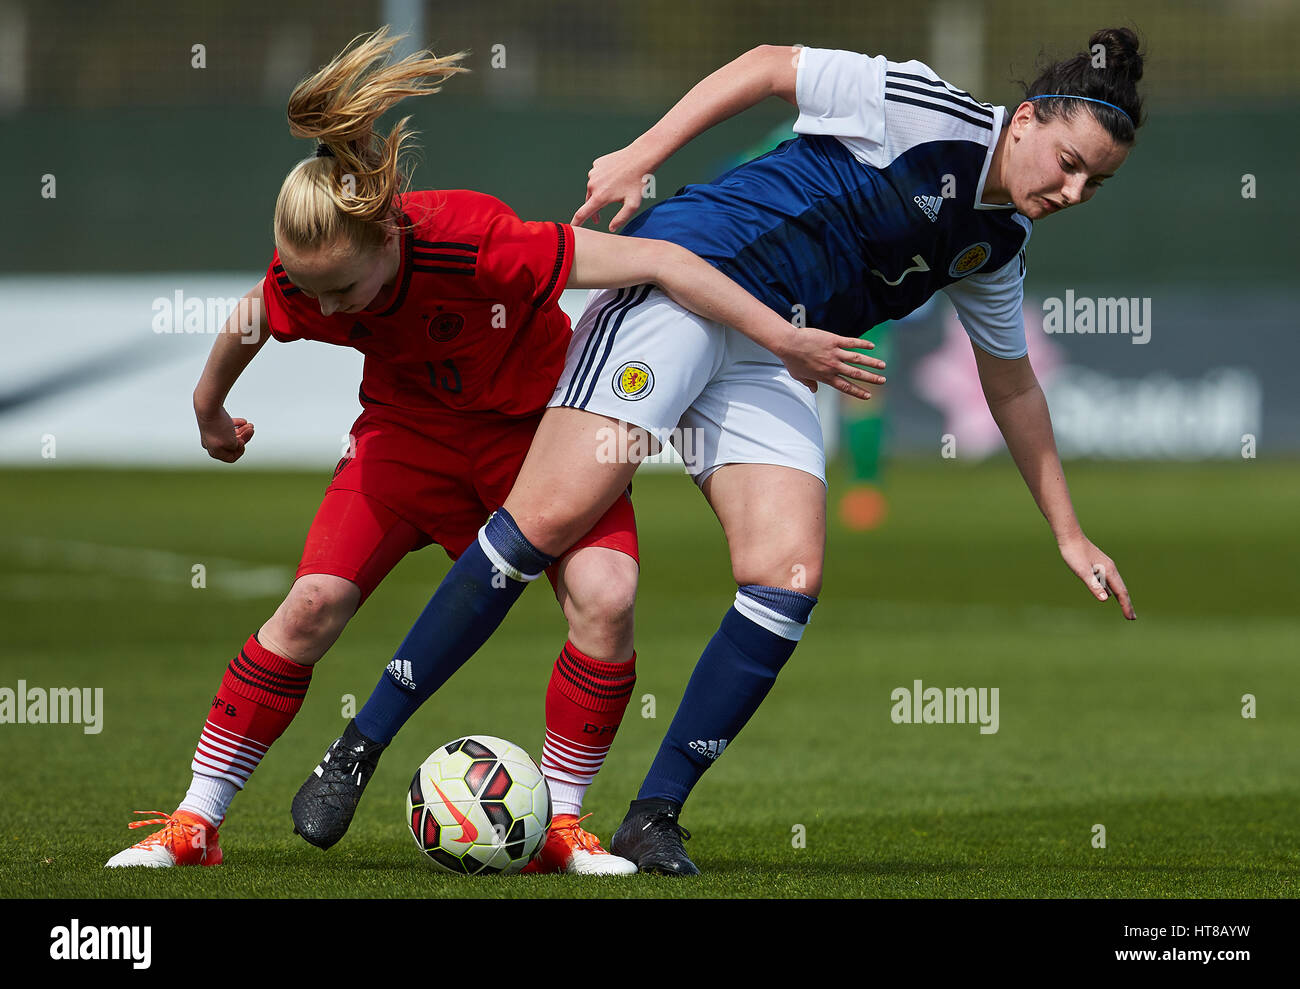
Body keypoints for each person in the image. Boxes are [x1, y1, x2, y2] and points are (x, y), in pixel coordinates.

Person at [105, 27, 869, 875]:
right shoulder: (311, 275)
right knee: (311, 605)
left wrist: (781, 339)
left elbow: (657, 257)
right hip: (406, 443)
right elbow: (253, 316)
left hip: (537, 437)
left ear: (389, 235)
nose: (322, 305)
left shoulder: (477, 242)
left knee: (608, 597)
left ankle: (561, 825)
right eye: (309, 288)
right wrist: (210, 410)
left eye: (339, 290)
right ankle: (197, 819)